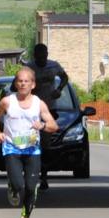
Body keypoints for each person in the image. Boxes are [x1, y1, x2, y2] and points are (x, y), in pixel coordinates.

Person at [0, 66, 57, 218]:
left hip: (32, 149)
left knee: (31, 187)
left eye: (26, 81)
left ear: (33, 85)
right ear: (16, 84)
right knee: (19, 185)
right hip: (12, 148)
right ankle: (13, 187)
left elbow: (53, 125)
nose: (23, 84)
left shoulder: (39, 104)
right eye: (20, 81)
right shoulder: (7, 101)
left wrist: (42, 126)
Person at [27, 43, 71, 192]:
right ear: (34, 56)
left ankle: (44, 177)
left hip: (49, 109)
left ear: (47, 54)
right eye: (39, 57)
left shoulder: (54, 66)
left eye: (44, 56)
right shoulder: (29, 68)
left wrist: (59, 89)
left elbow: (65, 77)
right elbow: (16, 85)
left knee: (45, 145)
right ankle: (30, 174)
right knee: (31, 142)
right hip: (32, 111)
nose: (42, 59)